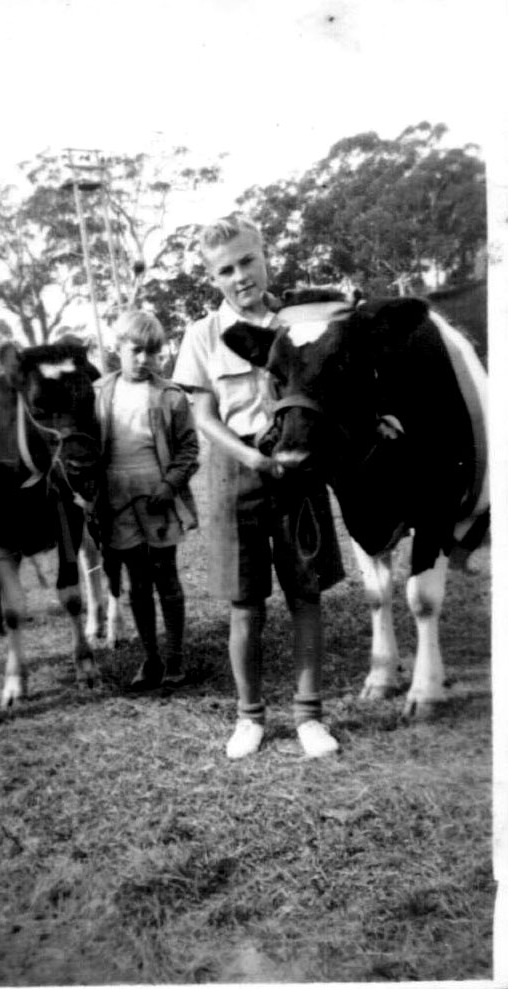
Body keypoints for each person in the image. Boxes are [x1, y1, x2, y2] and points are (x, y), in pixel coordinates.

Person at [172, 214, 345, 759]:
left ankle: (309, 716)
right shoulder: (202, 335)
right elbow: (204, 416)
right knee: (245, 605)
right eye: (226, 270)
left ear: (264, 256)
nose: (240, 276)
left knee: (306, 595)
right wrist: (252, 457)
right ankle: (249, 717)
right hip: (237, 473)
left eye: (248, 261)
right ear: (213, 278)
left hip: (298, 467)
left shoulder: (300, 321)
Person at [95, 310, 199, 690]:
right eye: (135, 350)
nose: (143, 360)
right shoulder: (99, 393)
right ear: (118, 348)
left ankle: (175, 658)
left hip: (157, 494)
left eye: (152, 353)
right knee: (137, 582)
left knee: (165, 576)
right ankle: (150, 658)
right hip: (116, 497)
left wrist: (169, 485)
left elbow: (189, 449)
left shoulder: (171, 396)